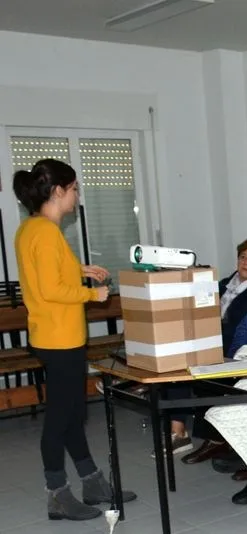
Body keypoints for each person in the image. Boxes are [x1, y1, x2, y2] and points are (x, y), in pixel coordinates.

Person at [13, 159, 136, 521]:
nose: (77, 196)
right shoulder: (48, 231)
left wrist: (79, 269)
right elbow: (51, 289)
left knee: (72, 415)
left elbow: (42, 275)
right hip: (60, 336)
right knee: (60, 419)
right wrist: (92, 295)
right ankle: (57, 494)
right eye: (75, 189)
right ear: (58, 191)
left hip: (48, 334)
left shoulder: (30, 228)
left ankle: (92, 482)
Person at [172, 238, 247, 460]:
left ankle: (210, 439)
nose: (246, 263)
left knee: (192, 370)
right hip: (209, 343)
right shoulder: (225, 283)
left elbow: (239, 327)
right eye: (243, 257)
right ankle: (177, 430)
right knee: (175, 365)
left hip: (232, 348)